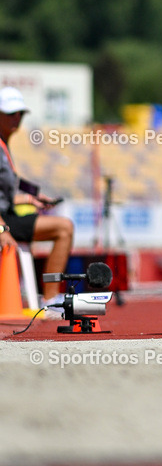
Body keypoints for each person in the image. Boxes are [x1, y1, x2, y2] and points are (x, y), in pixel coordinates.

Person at [0, 87, 74, 316]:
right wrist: (1, 229)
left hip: (7, 215)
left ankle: (49, 298)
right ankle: (50, 299)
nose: (17, 118)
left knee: (63, 227)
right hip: (3, 220)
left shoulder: (3, 144)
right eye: (10, 113)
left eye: (20, 113)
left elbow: (10, 182)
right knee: (64, 228)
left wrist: (33, 197)